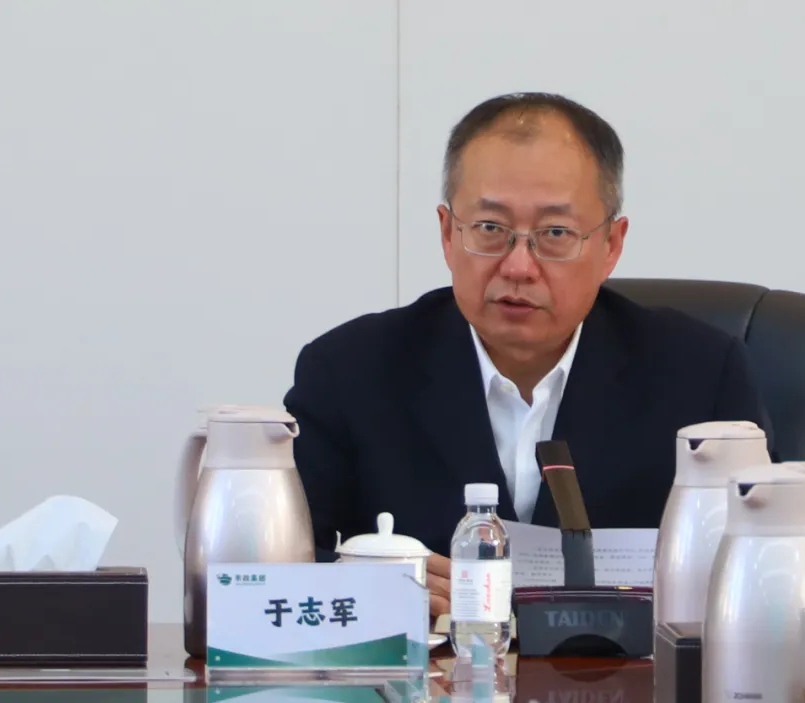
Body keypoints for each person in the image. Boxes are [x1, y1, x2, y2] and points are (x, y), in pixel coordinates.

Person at [282, 92, 776, 620]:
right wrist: (375, 592)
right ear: (448, 233)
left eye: (555, 233)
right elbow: (277, 572)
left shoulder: (701, 375)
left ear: (611, 245)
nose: (518, 266)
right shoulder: (348, 371)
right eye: (490, 229)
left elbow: (766, 566)